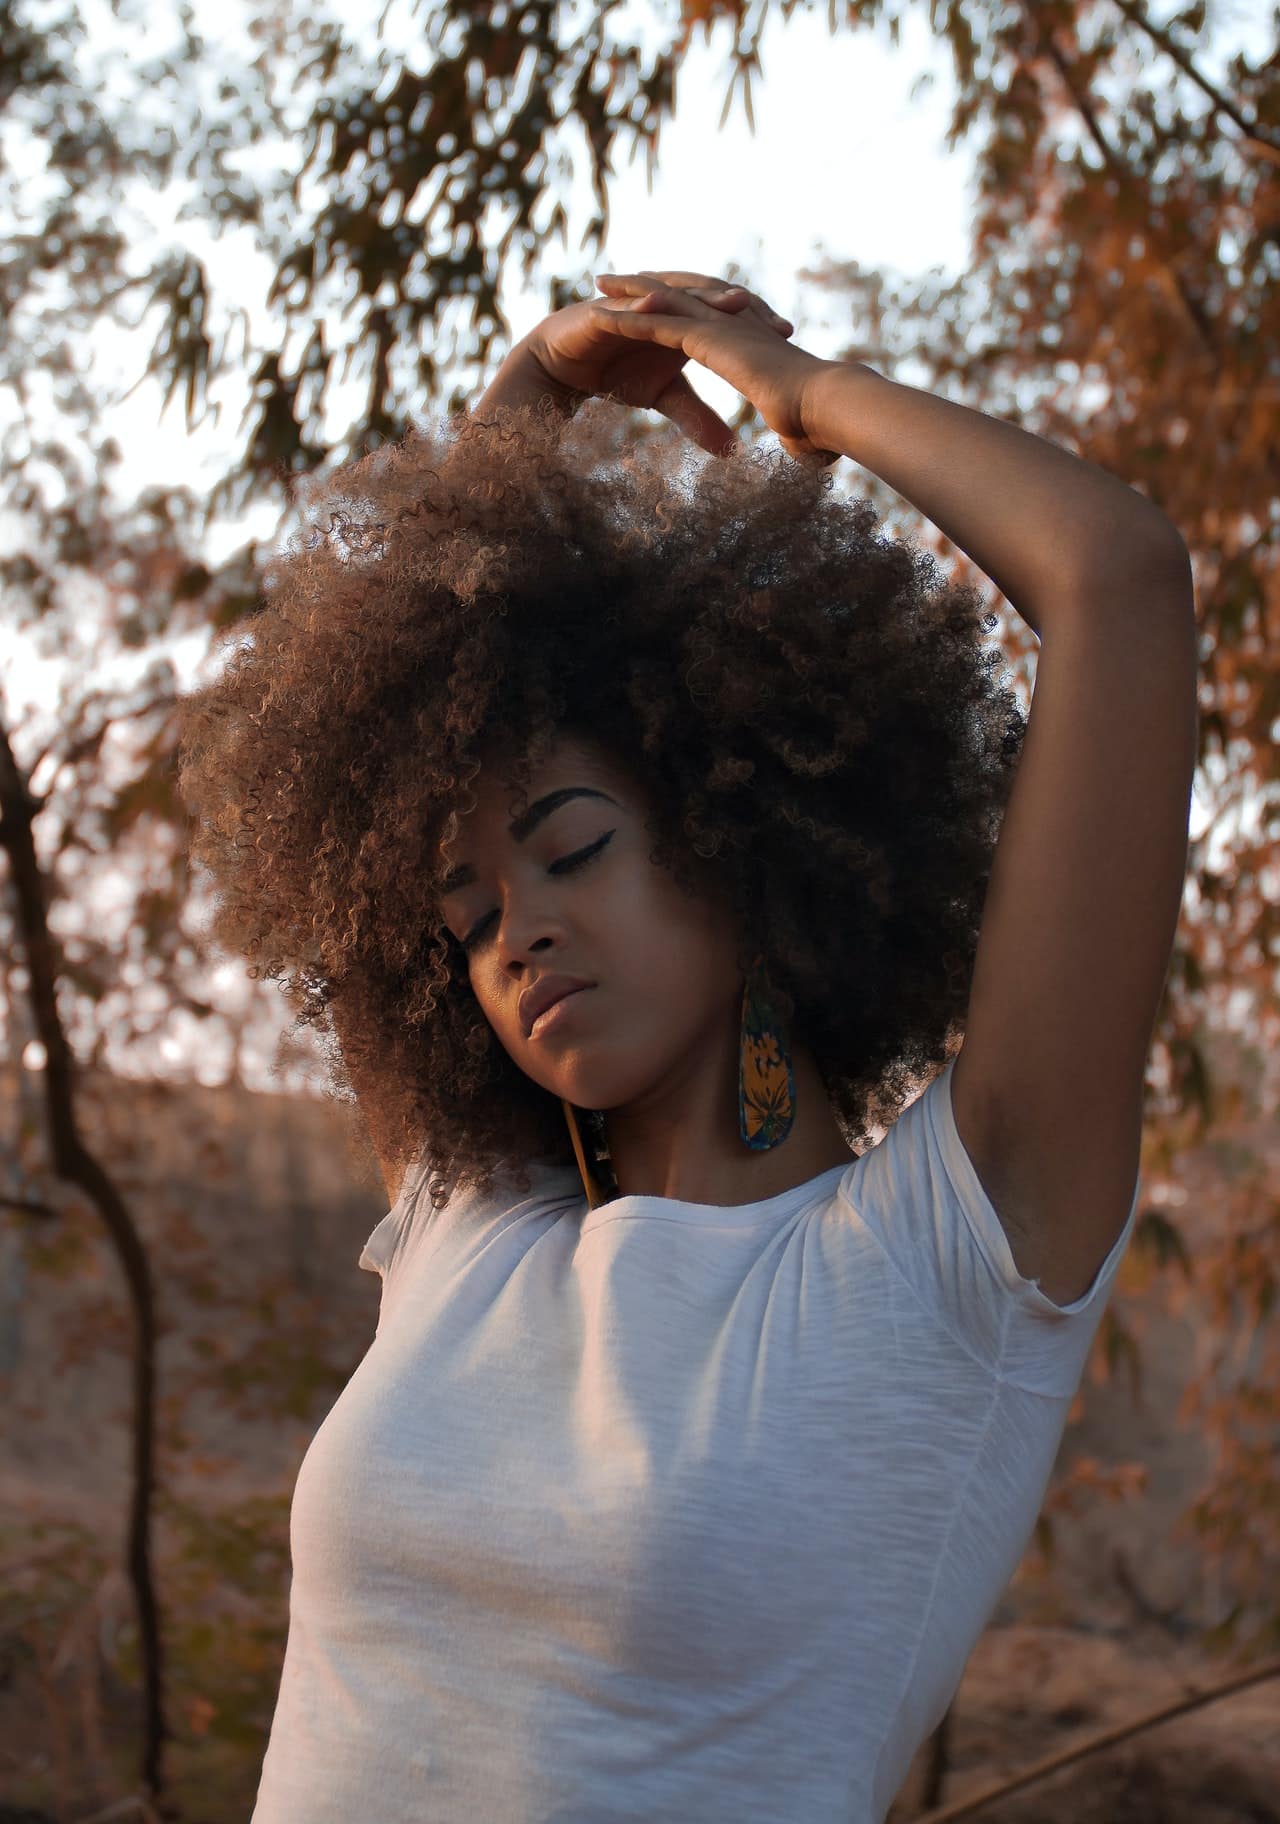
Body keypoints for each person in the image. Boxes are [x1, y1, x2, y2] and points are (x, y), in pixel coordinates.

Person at [175, 267, 1198, 1822]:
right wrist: (539, 383)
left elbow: (1116, 576)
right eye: (465, 917)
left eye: (573, 848)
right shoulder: (472, 1235)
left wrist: (801, 396)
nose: (514, 935)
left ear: (739, 834)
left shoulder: (947, 1256)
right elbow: (441, 632)